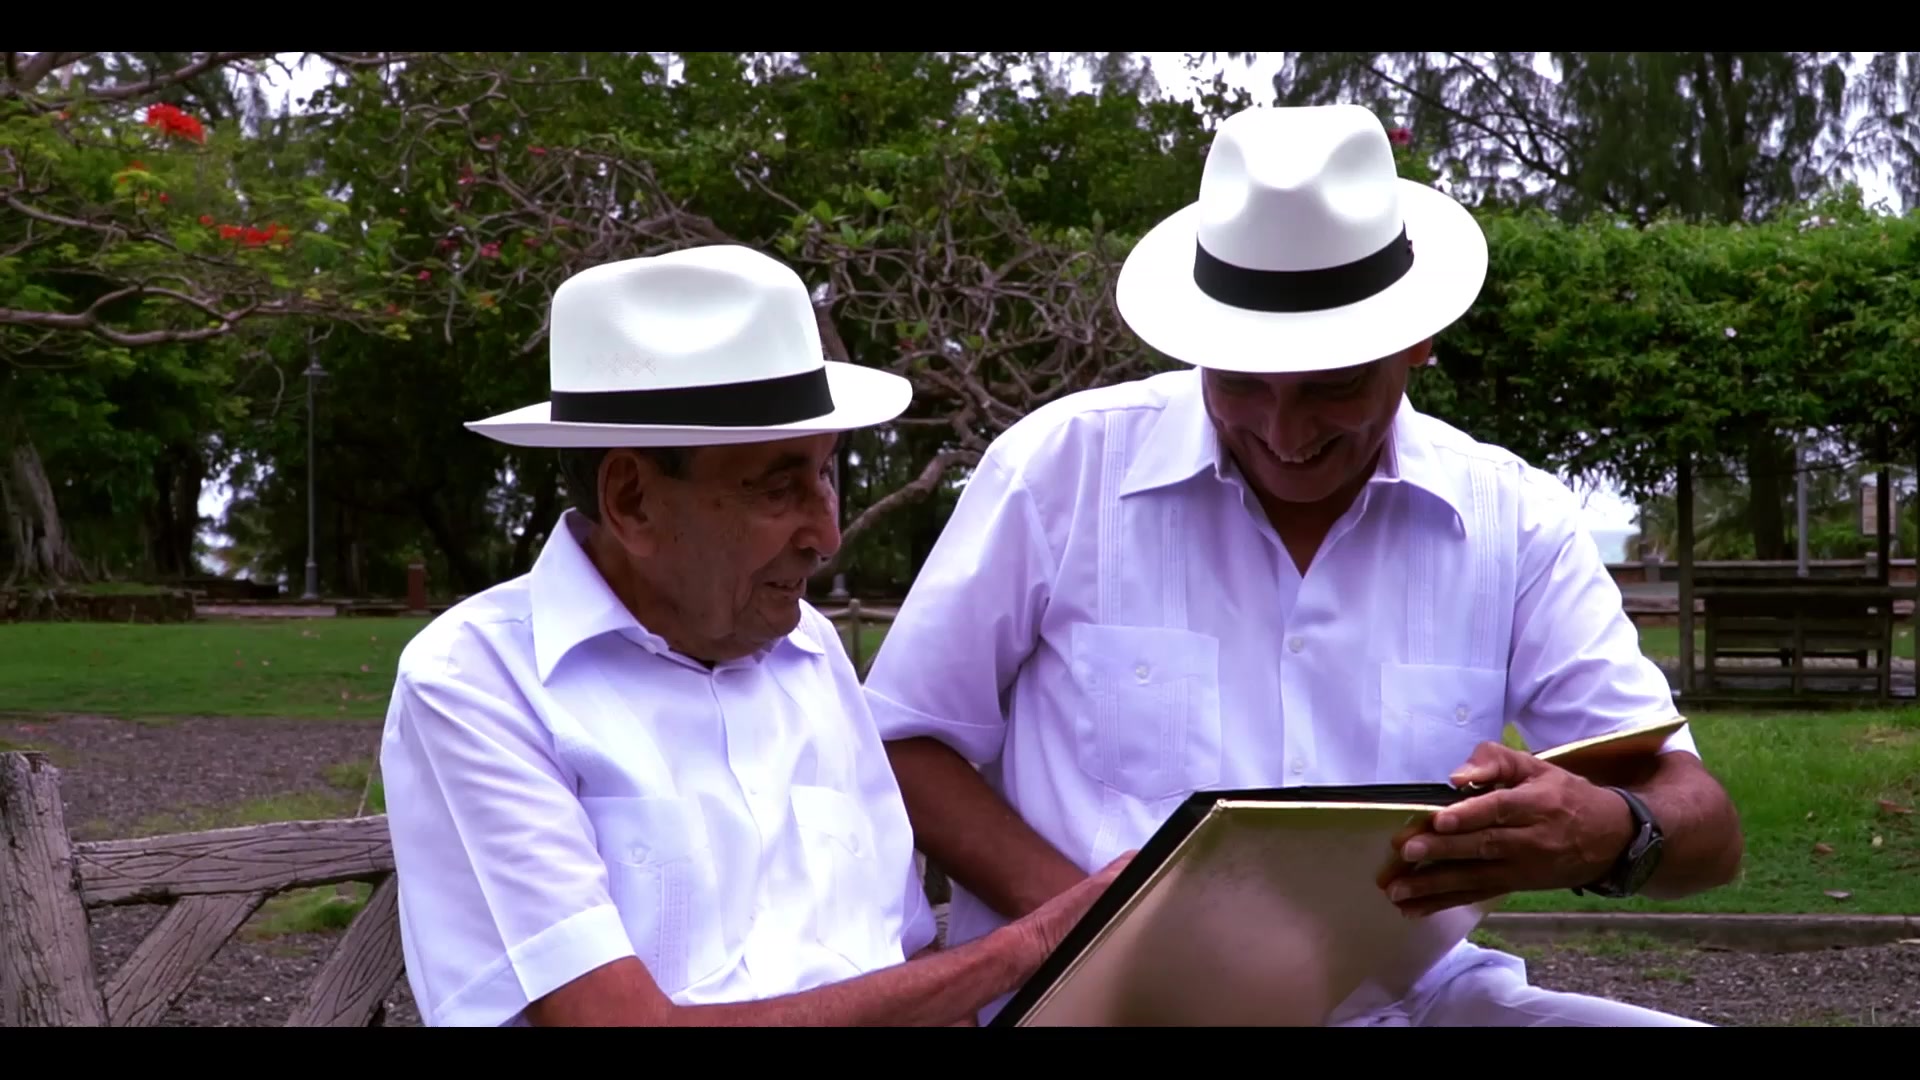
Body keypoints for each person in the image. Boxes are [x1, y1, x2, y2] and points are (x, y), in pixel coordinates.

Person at [864, 104, 1744, 1027]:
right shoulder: (1061, 472)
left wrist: (1610, 833)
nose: (1284, 433)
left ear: (1417, 342)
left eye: (1334, 386)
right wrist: (1100, 933)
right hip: (1105, 1006)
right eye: (1240, 380)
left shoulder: (1512, 517)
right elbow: (904, 743)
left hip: (1404, 1001)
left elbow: (1704, 823)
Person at [379, 244, 1126, 1027]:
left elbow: (903, 962)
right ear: (632, 500)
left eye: (826, 474)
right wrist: (1036, 942)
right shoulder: (477, 684)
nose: (827, 535)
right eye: (779, 487)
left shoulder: (810, 653)